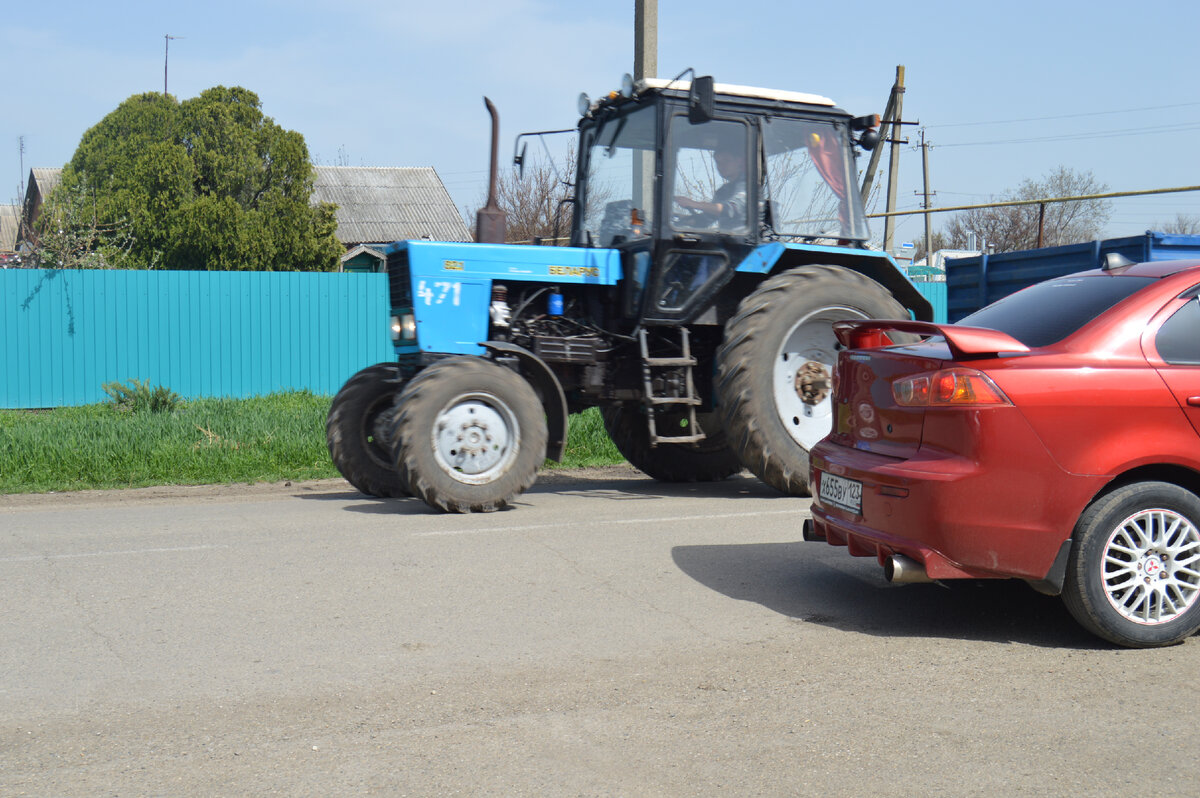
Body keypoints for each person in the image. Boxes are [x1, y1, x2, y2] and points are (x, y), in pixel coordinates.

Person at [673, 139, 747, 232]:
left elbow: (730, 209)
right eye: (718, 162)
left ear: (739, 161)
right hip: (727, 240)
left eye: (726, 160)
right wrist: (683, 219)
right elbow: (707, 219)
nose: (721, 166)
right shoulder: (723, 191)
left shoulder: (747, 186)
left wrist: (694, 204)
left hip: (744, 242)